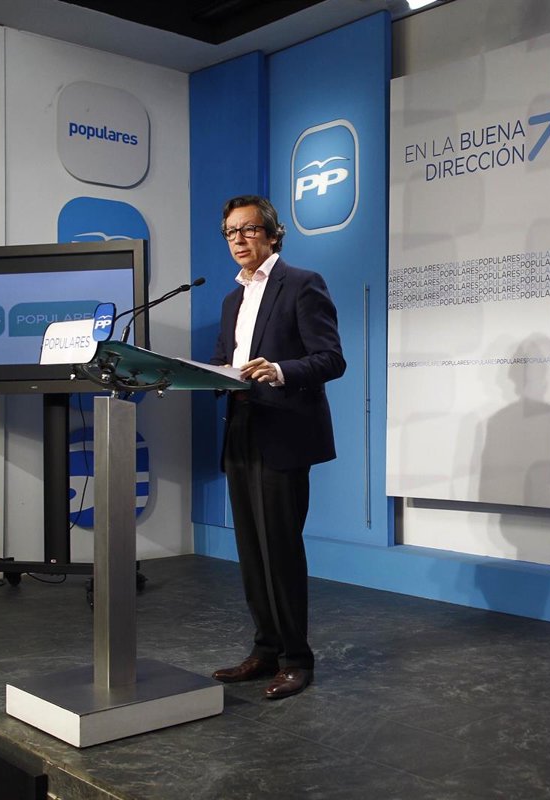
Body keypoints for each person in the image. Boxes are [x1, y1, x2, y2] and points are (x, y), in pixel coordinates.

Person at [209, 195, 345, 699]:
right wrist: (205, 375)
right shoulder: (232, 300)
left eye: (248, 229)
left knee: (280, 549)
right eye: (230, 232)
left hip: (283, 430)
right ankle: (265, 649)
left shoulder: (303, 284)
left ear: (271, 234)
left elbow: (331, 359)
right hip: (242, 427)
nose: (239, 239)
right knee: (250, 549)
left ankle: (296, 659)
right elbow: (223, 360)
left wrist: (281, 370)